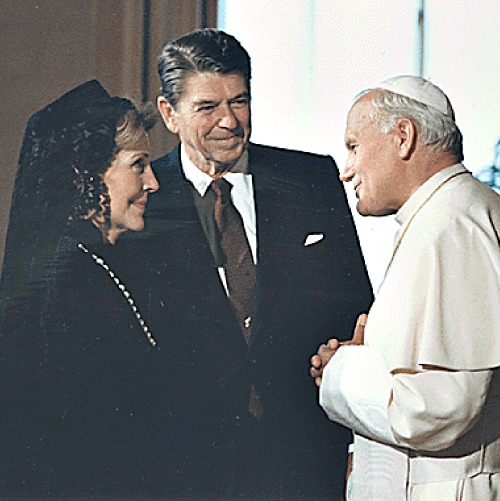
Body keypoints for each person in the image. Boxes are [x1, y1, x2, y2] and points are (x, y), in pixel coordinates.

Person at [134, 28, 373, 498]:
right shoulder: (143, 196)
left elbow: (356, 309)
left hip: (304, 461)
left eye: (239, 101)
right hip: (184, 469)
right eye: (207, 108)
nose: (229, 121)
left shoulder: (309, 179)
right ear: (169, 114)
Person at [310, 75, 500, 500]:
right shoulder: (446, 213)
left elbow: (439, 409)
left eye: (354, 146)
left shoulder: (453, 224)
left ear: (403, 137)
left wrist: (341, 370)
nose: (346, 171)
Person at [0, 80, 166, 497]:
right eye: (138, 165)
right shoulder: (62, 284)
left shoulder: (97, 265)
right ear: (87, 173)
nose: (153, 183)